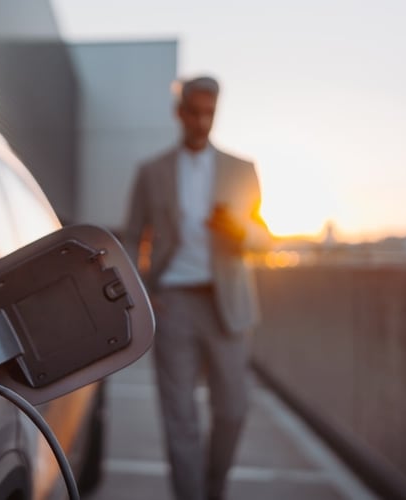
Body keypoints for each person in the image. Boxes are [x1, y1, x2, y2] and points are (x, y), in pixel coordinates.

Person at [123, 75, 272, 500]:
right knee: (180, 418)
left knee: (233, 410)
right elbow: (133, 236)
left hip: (229, 305)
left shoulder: (241, 170)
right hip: (172, 303)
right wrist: (143, 295)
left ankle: (214, 489)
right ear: (181, 112)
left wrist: (238, 228)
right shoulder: (151, 172)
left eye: (210, 113)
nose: (203, 121)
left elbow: (264, 239)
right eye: (196, 112)